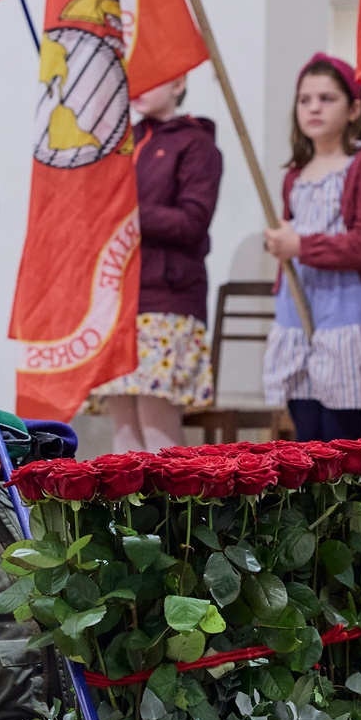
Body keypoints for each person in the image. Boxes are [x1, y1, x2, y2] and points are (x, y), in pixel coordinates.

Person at [262, 54, 361, 442]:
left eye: (327, 99)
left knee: (339, 445)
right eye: (304, 99)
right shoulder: (295, 175)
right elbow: (292, 239)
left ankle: (345, 506)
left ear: (354, 108)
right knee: (306, 441)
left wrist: (300, 245)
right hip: (297, 312)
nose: (313, 108)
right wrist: (279, 243)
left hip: (344, 311)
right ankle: (309, 506)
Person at [88, 75, 222, 453]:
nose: (141, 83)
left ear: (178, 83)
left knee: (158, 431)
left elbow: (192, 222)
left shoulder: (196, 144)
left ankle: (172, 513)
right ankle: (132, 512)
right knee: (125, 431)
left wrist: (129, 212)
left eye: (156, 73)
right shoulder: (121, 144)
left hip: (167, 299)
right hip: (118, 298)